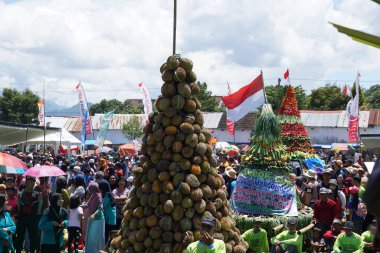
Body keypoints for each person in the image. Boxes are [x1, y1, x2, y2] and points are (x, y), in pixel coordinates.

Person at [15, 176, 42, 253]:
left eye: (33, 182)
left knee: (33, 237)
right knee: (20, 236)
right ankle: (18, 250)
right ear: (26, 182)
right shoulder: (20, 193)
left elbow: (39, 209)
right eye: (29, 182)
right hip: (22, 217)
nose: (31, 183)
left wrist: (41, 199)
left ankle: (32, 251)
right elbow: (19, 207)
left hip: (33, 218)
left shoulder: (37, 194)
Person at [85, 182, 105, 253]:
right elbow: (87, 204)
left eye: (90, 188)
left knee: (96, 236)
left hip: (98, 219)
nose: (89, 189)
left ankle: (97, 251)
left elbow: (100, 208)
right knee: (91, 236)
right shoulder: (92, 195)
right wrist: (77, 206)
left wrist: (94, 215)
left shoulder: (99, 196)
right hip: (92, 218)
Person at [98, 179, 116, 244]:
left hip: (108, 218)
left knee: (107, 234)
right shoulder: (110, 194)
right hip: (111, 218)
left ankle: (106, 247)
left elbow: (104, 205)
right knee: (110, 234)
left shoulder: (107, 195)